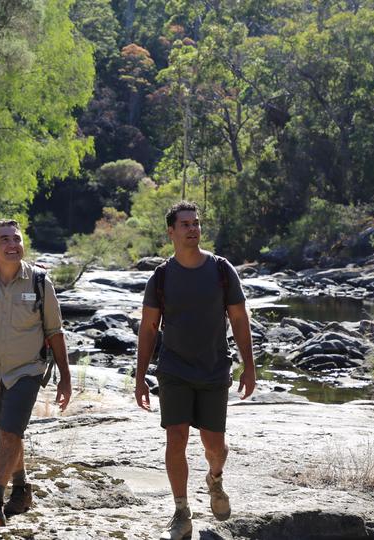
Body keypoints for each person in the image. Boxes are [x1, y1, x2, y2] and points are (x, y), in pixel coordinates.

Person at [135, 201, 256, 540]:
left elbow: (238, 318)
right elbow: (148, 329)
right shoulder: (160, 277)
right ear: (171, 231)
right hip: (173, 370)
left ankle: (215, 479)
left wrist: (249, 366)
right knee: (176, 438)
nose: (192, 229)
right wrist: (140, 375)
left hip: (214, 369)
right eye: (185, 224)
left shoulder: (220, 270)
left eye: (196, 223)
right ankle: (180, 510)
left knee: (214, 444)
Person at [0, 219, 72, 529]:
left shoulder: (39, 281)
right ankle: (21, 488)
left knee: (9, 433)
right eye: (4, 239)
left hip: (27, 371)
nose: (12, 244)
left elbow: (55, 331)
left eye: (17, 239)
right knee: (9, 433)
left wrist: (66, 377)